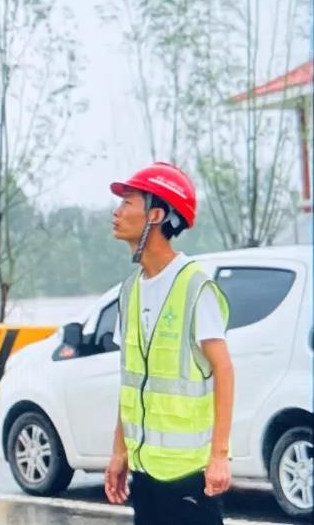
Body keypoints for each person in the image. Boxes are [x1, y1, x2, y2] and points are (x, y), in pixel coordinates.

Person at [103, 162, 235, 525]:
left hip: (190, 477)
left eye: (127, 202)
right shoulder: (130, 290)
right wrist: (119, 452)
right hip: (144, 473)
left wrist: (219, 455)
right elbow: (131, 384)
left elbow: (224, 369)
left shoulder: (194, 285)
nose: (117, 212)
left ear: (156, 215)